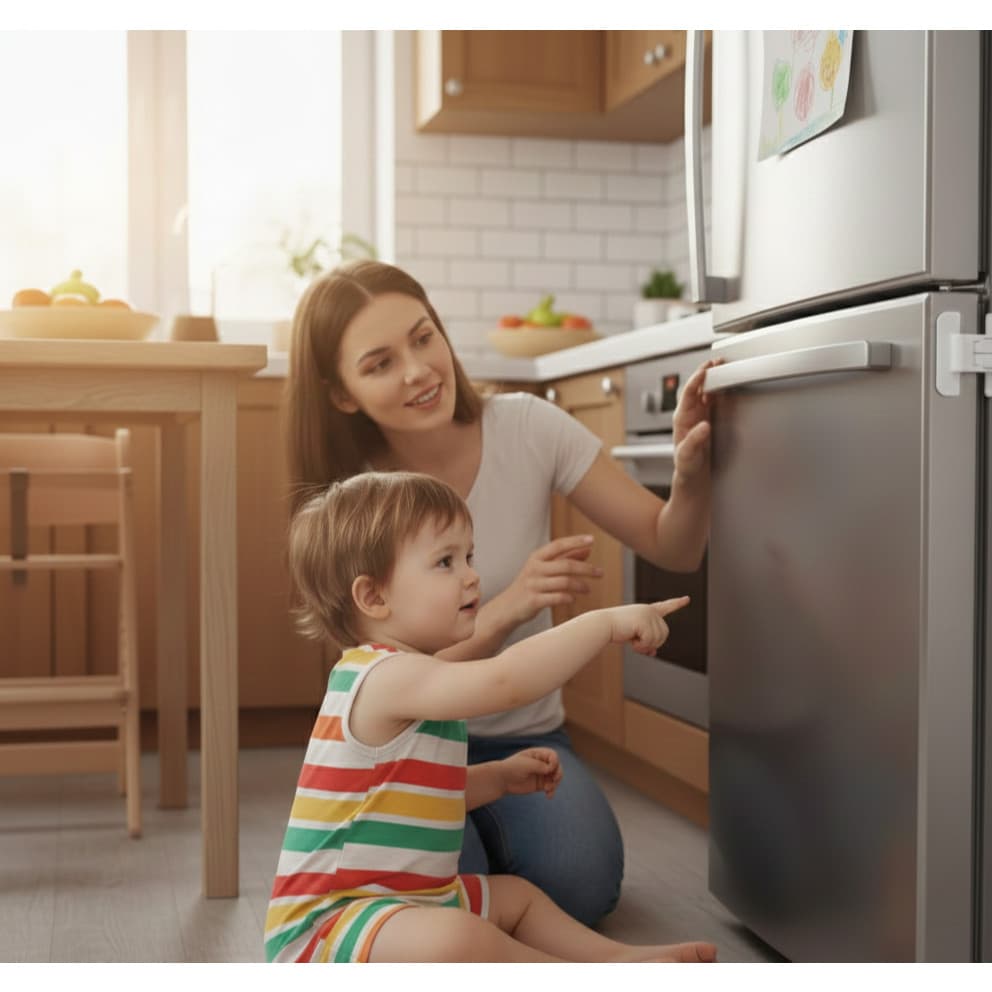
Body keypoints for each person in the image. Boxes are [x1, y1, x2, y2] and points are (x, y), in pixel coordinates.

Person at [285, 259, 718, 927]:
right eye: (379, 364)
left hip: (523, 736)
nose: (418, 371)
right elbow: (379, 680)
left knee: (581, 884)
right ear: (341, 393)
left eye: (423, 338)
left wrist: (690, 471)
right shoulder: (355, 503)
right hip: (407, 755)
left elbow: (674, 546)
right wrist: (509, 608)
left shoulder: (528, 427)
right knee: (423, 899)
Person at [264, 470, 716, 963]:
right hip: (329, 932)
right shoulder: (382, 678)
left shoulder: (414, 678)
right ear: (374, 597)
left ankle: (618, 960)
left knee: (518, 900)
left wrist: (496, 779)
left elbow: (420, 794)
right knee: (460, 939)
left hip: (407, 906)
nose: (472, 574)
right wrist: (603, 623)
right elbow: (506, 681)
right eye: (444, 561)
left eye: (468, 556)